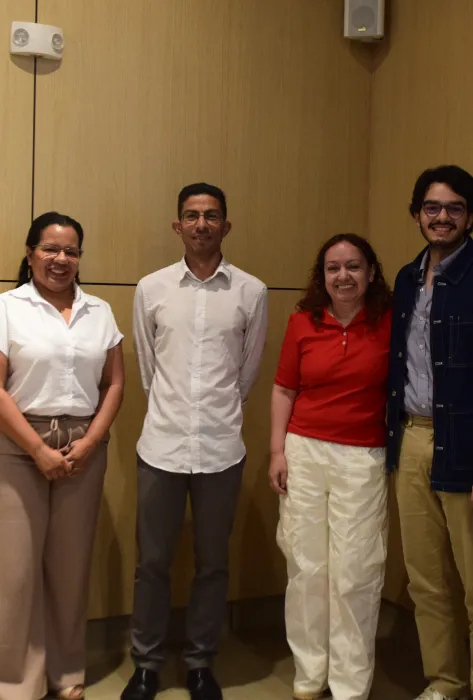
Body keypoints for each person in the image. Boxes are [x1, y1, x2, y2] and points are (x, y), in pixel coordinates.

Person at [121, 183, 267, 700]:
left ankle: (201, 662)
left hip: (221, 449)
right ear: (177, 225)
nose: (201, 224)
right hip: (161, 447)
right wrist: (177, 411)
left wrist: (212, 414)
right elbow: (148, 370)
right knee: (152, 564)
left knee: (213, 564)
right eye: (191, 215)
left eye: (211, 215)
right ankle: (146, 664)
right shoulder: (151, 288)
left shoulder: (252, 291)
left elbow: (246, 374)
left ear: (226, 225)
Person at [0, 212, 125, 700]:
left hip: (82, 448)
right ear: (30, 253)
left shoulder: (100, 311)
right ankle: (16, 682)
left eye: (71, 251)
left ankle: (66, 672)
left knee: (71, 568)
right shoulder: (8, 307)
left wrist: (90, 442)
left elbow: (114, 384)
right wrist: (37, 449)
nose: (61, 259)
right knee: (16, 571)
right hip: (17, 446)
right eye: (50, 249)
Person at [269, 233, 392, 700]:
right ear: (321, 276)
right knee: (305, 566)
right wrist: (277, 451)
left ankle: (349, 684)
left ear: (371, 273)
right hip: (303, 451)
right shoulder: (303, 321)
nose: (343, 276)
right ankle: (310, 673)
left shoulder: (390, 322)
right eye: (333, 268)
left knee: (355, 571)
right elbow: (284, 389)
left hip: (362, 457)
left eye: (353, 266)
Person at [387, 164, 473, 700]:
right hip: (413, 435)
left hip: (467, 440)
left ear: (470, 216)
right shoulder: (405, 278)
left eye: (455, 208)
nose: (442, 217)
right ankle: (446, 681)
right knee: (426, 577)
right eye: (432, 207)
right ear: (417, 213)